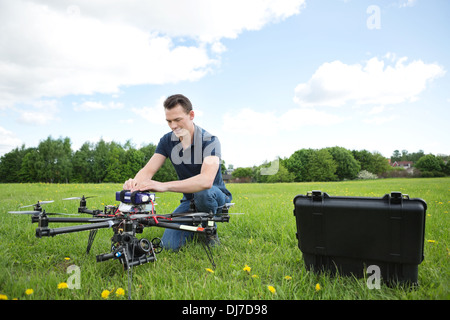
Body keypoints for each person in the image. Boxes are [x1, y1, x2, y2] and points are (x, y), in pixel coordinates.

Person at [123, 94, 232, 251]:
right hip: (189, 201)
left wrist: (163, 186)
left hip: (214, 196)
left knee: (203, 193)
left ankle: (209, 229)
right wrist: (135, 183)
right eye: (169, 121)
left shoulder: (210, 141)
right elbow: (148, 170)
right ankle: (195, 225)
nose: (173, 125)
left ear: (191, 115)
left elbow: (206, 181)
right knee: (168, 246)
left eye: (178, 119)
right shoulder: (167, 141)